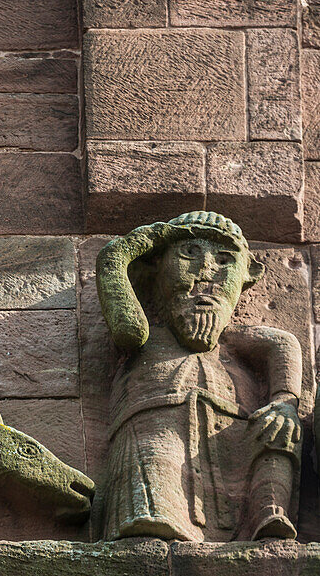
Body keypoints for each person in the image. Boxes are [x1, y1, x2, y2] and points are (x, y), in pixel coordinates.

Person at [94, 211, 302, 541]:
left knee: (279, 426)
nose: (206, 271)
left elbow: (283, 342)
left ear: (248, 274)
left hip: (230, 438)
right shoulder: (146, 337)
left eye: (224, 259)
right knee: (154, 471)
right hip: (158, 428)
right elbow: (127, 329)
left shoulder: (235, 343)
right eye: (189, 253)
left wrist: (284, 401)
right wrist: (120, 252)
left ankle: (268, 511)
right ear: (156, 265)